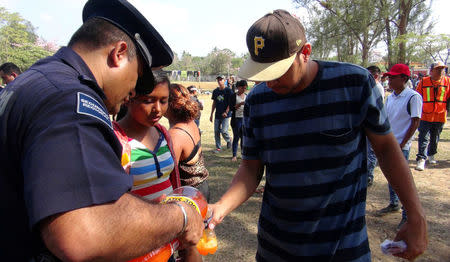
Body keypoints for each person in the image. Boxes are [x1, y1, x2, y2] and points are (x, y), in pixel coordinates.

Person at [208, 10, 427, 261]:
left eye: (278, 71)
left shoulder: (353, 84)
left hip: (342, 249)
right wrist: (221, 207)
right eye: (263, 72)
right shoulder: (258, 101)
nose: (269, 82)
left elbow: (387, 150)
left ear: (306, 52)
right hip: (276, 249)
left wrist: (416, 216)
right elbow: (250, 169)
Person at [0, 0, 203, 261]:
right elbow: (81, 233)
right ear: (118, 53)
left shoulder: (36, 81)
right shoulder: (69, 100)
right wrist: (181, 216)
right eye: (137, 76)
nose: (133, 90)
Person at [115, 76, 201, 262]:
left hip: (168, 239)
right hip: (136, 245)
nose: (158, 109)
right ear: (129, 98)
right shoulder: (114, 139)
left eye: (163, 101)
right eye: (149, 101)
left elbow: (173, 182)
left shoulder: (163, 134)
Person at [375, 64, 422, 230]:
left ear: (404, 78)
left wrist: (403, 143)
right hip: (390, 143)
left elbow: (415, 121)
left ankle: (406, 215)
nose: (390, 80)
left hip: (401, 145)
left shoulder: (413, 97)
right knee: (391, 177)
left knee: (402, 180)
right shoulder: (391, 97)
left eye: (393, 77)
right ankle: (394, 203)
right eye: (389, 77)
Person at [166, 84, 210, 202]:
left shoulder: (175, 134)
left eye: (162, 100)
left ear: (170, 105)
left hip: (190, 196)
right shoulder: (191, 123)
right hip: (201, 188)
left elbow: (167, 173)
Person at [415, 61, 450, 171]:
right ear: (431, 71)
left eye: (442, 69)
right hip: (425, 115)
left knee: (435, 138)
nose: (440, 71)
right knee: (423, 137)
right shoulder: (423, 82)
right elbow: (418, 97)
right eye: (438, 69)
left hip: (440, 115)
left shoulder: (447, 81)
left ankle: (431, 154)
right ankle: (421, 158)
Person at [366, 65, 385, 186]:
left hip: (373, 124)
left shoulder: (376, 87)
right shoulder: (372, 86)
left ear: (376, 76)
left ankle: (369, 176)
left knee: (371, 152)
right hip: (369, 123)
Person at [209, 75, 233, 152]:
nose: (219, 81)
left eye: (221, 79)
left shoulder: (228, 91)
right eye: (218, 80)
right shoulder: (215, 91)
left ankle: (229, 139)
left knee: (224, 131)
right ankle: (218, 147)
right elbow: (214, 103)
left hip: (226, 115)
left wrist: (226, 112)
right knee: (216, 131)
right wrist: (211, 114)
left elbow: (231, 103)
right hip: (218, 114)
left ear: (224, 80)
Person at [230, 79, 248, 162]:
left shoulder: (247, 96)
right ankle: (234, 155)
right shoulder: (234, 96)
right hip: (236, 119)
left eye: (245, 88)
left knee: (243, 138)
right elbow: (231, 108)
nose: (244, 90)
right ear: (238, 87)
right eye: (242, 88)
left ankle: (243, 154)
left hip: (244, 119)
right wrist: (240, 104)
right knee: (236, 137)